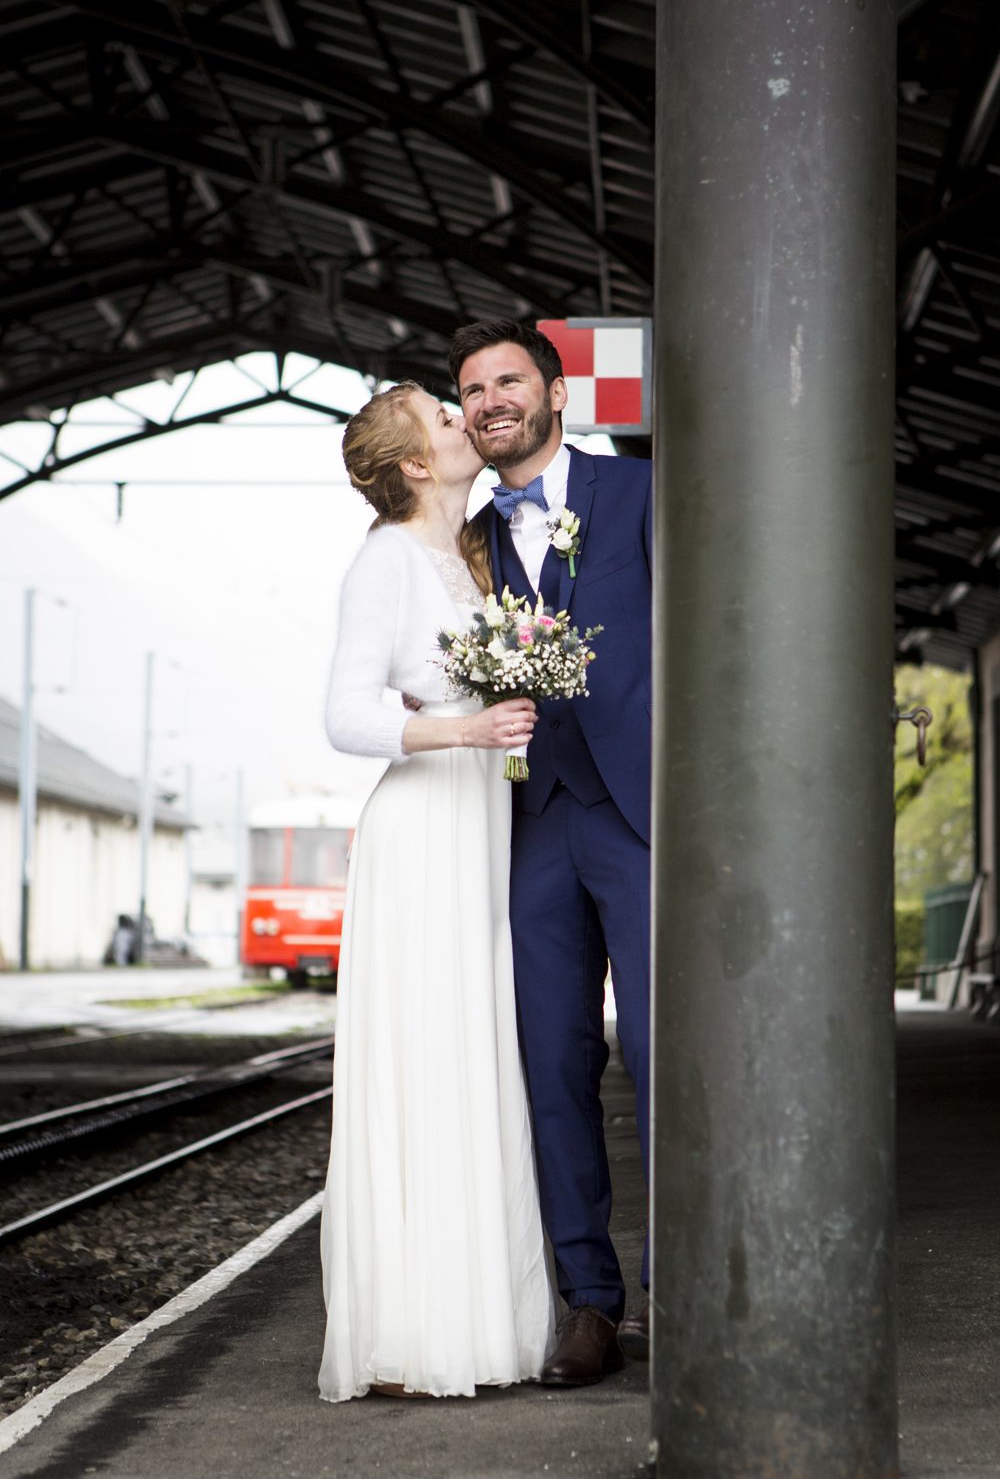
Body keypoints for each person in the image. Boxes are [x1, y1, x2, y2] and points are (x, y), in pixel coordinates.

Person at [318, 380, 555, 1402]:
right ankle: (417, 1332)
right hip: (422, 830)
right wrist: (466, 729)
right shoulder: (384, 559)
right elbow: (342, 715)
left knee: (474, 1053)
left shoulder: (464, 560)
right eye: (445, 416)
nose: (467, 419)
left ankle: (481, 1320)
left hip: (478, 823)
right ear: (415, 463)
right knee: (426, 1060)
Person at [449, 320, 653, 1385]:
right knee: (552, 1064)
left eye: (507, 381)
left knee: (668, 1053)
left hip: (640, 813)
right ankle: (590, 1303)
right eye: (472, 388)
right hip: (530, 821)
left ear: (557, 392)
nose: (489, 401)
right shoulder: (467, 535)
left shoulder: (640, 494)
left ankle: (687, 1281)